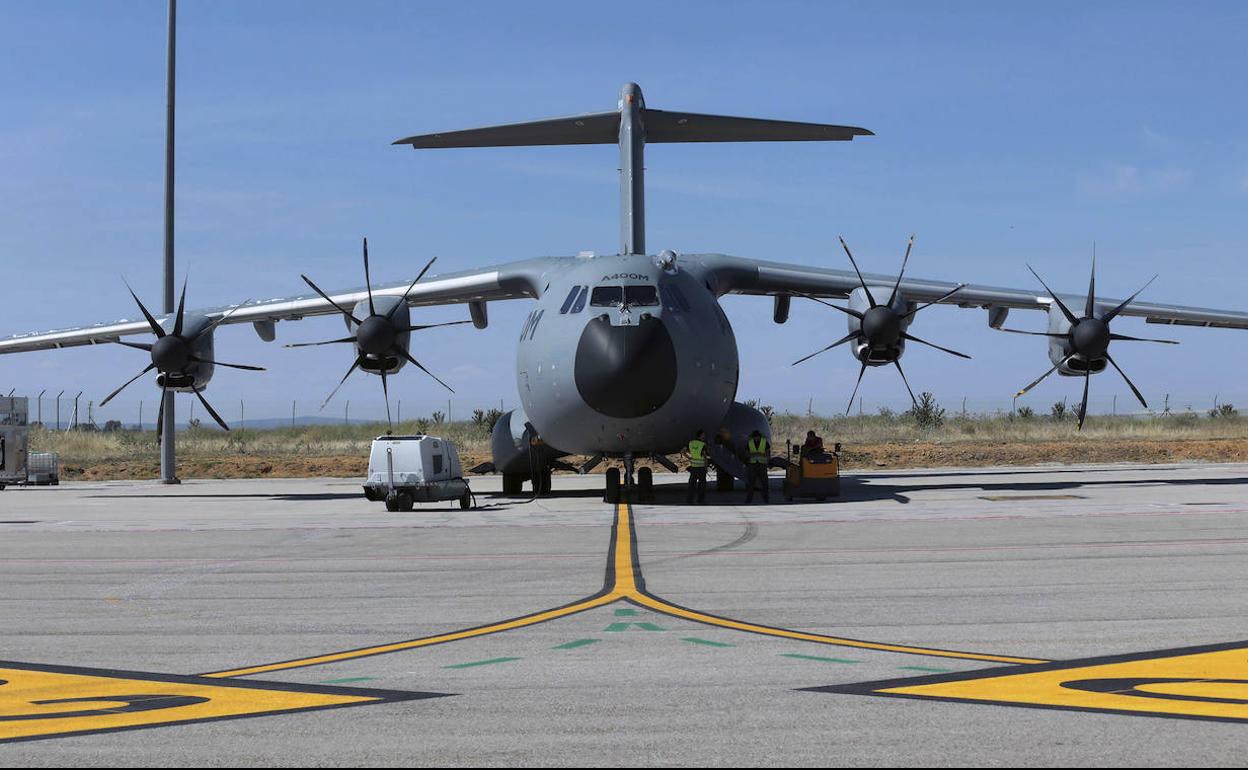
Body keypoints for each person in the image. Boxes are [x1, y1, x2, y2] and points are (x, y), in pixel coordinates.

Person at [743, 429, 770, 503]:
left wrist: (767, 461)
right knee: (751, 483)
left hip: (762, 465)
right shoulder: (750, 443)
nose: (756, 438)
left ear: (759, 437)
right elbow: (746, 454)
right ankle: (749, 499)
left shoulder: (765, 442)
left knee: (764, 483)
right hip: (752, 465)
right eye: (755, 437)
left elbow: (768, 453)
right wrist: (755, 454)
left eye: (757, 437)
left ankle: (766, 498)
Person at [685, 429, 708, 505]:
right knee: (701, 485)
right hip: (701, 468)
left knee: (691, 485)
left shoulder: (691, 443)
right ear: (700, 435)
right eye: (703, 435)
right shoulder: (702, 445)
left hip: (693, 467)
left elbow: (682, 451)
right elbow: (705, 457)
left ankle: (689, 499)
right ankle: (700, 500)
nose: (704, 436)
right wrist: (706, 467)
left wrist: (689, 458)